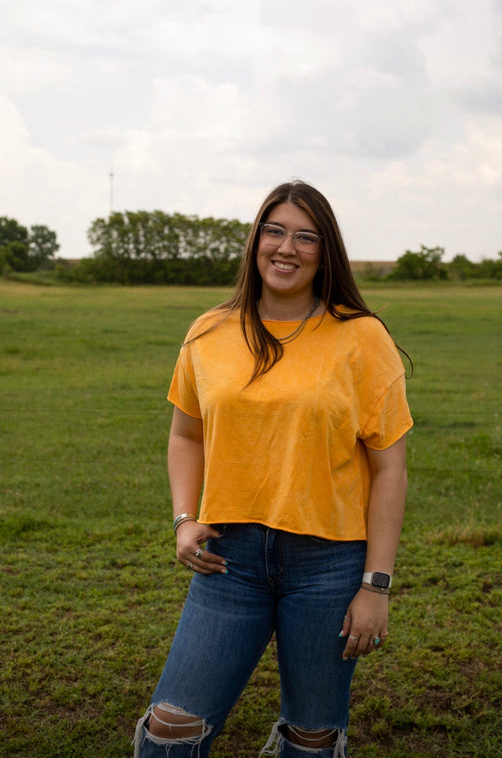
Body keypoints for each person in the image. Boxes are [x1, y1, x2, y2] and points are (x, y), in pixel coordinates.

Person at [133, 181, 413, 758]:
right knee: (170, 729)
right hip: (227, 561)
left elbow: (390, 471)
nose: (288, 248)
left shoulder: (361, 337)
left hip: (330, 565)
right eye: (276, 230)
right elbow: (187, 433)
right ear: (256, 240)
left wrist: (375, 586)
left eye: (306, 236)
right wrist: (184, 518)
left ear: (325, 250)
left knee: (311, 737)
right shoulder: (210, 331)